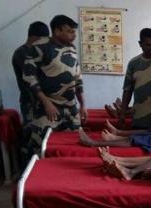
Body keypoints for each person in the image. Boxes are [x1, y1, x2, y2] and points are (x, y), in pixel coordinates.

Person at [22, 15, 87, 159]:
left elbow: (77, 78)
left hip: (70, 108)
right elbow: (29, 77)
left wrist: (82, 104)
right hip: (48, 109)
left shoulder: (72, 48)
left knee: (73, 147)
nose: (74, 35)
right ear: (57, 31)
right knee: (39, 148)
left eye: (74, 31)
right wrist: (46, 103)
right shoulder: (40, 47)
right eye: (70, 31)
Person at [12, 21, 49, 132]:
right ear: (34, 38)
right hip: (30, 102)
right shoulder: (22, 53)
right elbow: (31, 79)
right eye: (43, 39)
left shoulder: (37, 52)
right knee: (31, 133)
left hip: (41, 101)